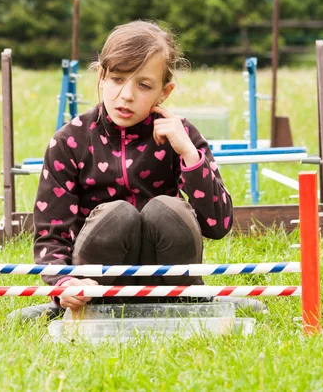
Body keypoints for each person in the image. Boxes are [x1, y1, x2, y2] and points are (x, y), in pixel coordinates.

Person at [32, 20, 234, 313]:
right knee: (118, 215)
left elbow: (218, 225)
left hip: (168, 283)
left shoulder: (180, 134)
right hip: (97, 286)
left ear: (164, 93)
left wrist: (189, 154)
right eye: (117, 79)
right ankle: (77, 307)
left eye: (143, 85)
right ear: (101, 76)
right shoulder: (70, 140)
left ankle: (189, 302)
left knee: (168, 209)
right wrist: (64, 285)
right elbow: (51, 235)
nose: (126, 95)